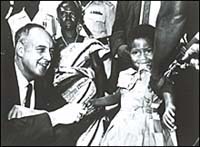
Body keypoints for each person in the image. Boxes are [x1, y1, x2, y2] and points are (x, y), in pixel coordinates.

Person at [1, 23, 86, 146]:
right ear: (20, 50)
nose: (48, 57)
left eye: (51, 51)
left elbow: (65, 113)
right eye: (41, 50)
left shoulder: (43, 80)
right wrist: (52, 118)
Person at [99, 25, 177, 146]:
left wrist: (169, 105)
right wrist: (95, 102)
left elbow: (165, 88)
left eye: (148, 51)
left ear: (156, 51)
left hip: (149, 127)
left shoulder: (155, 75)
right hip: (123, 127)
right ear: (129, 53)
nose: (143, 58)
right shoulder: (126, 74)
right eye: (136, 52)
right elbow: (118, 97)